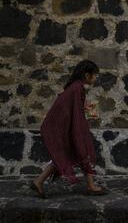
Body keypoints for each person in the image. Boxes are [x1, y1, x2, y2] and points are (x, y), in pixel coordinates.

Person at [30, 60, 106, 198]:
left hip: (67, 125)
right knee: (85, 150)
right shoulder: (77, 88)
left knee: (67, 155)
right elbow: (72, 112)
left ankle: (38, 181)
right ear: (87, 75)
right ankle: (91, 186)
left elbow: (72, 108)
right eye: (94, 75)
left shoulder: (76, 87)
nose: (96, 78)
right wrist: (79, 132)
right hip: (66, 127)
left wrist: (84, 108)